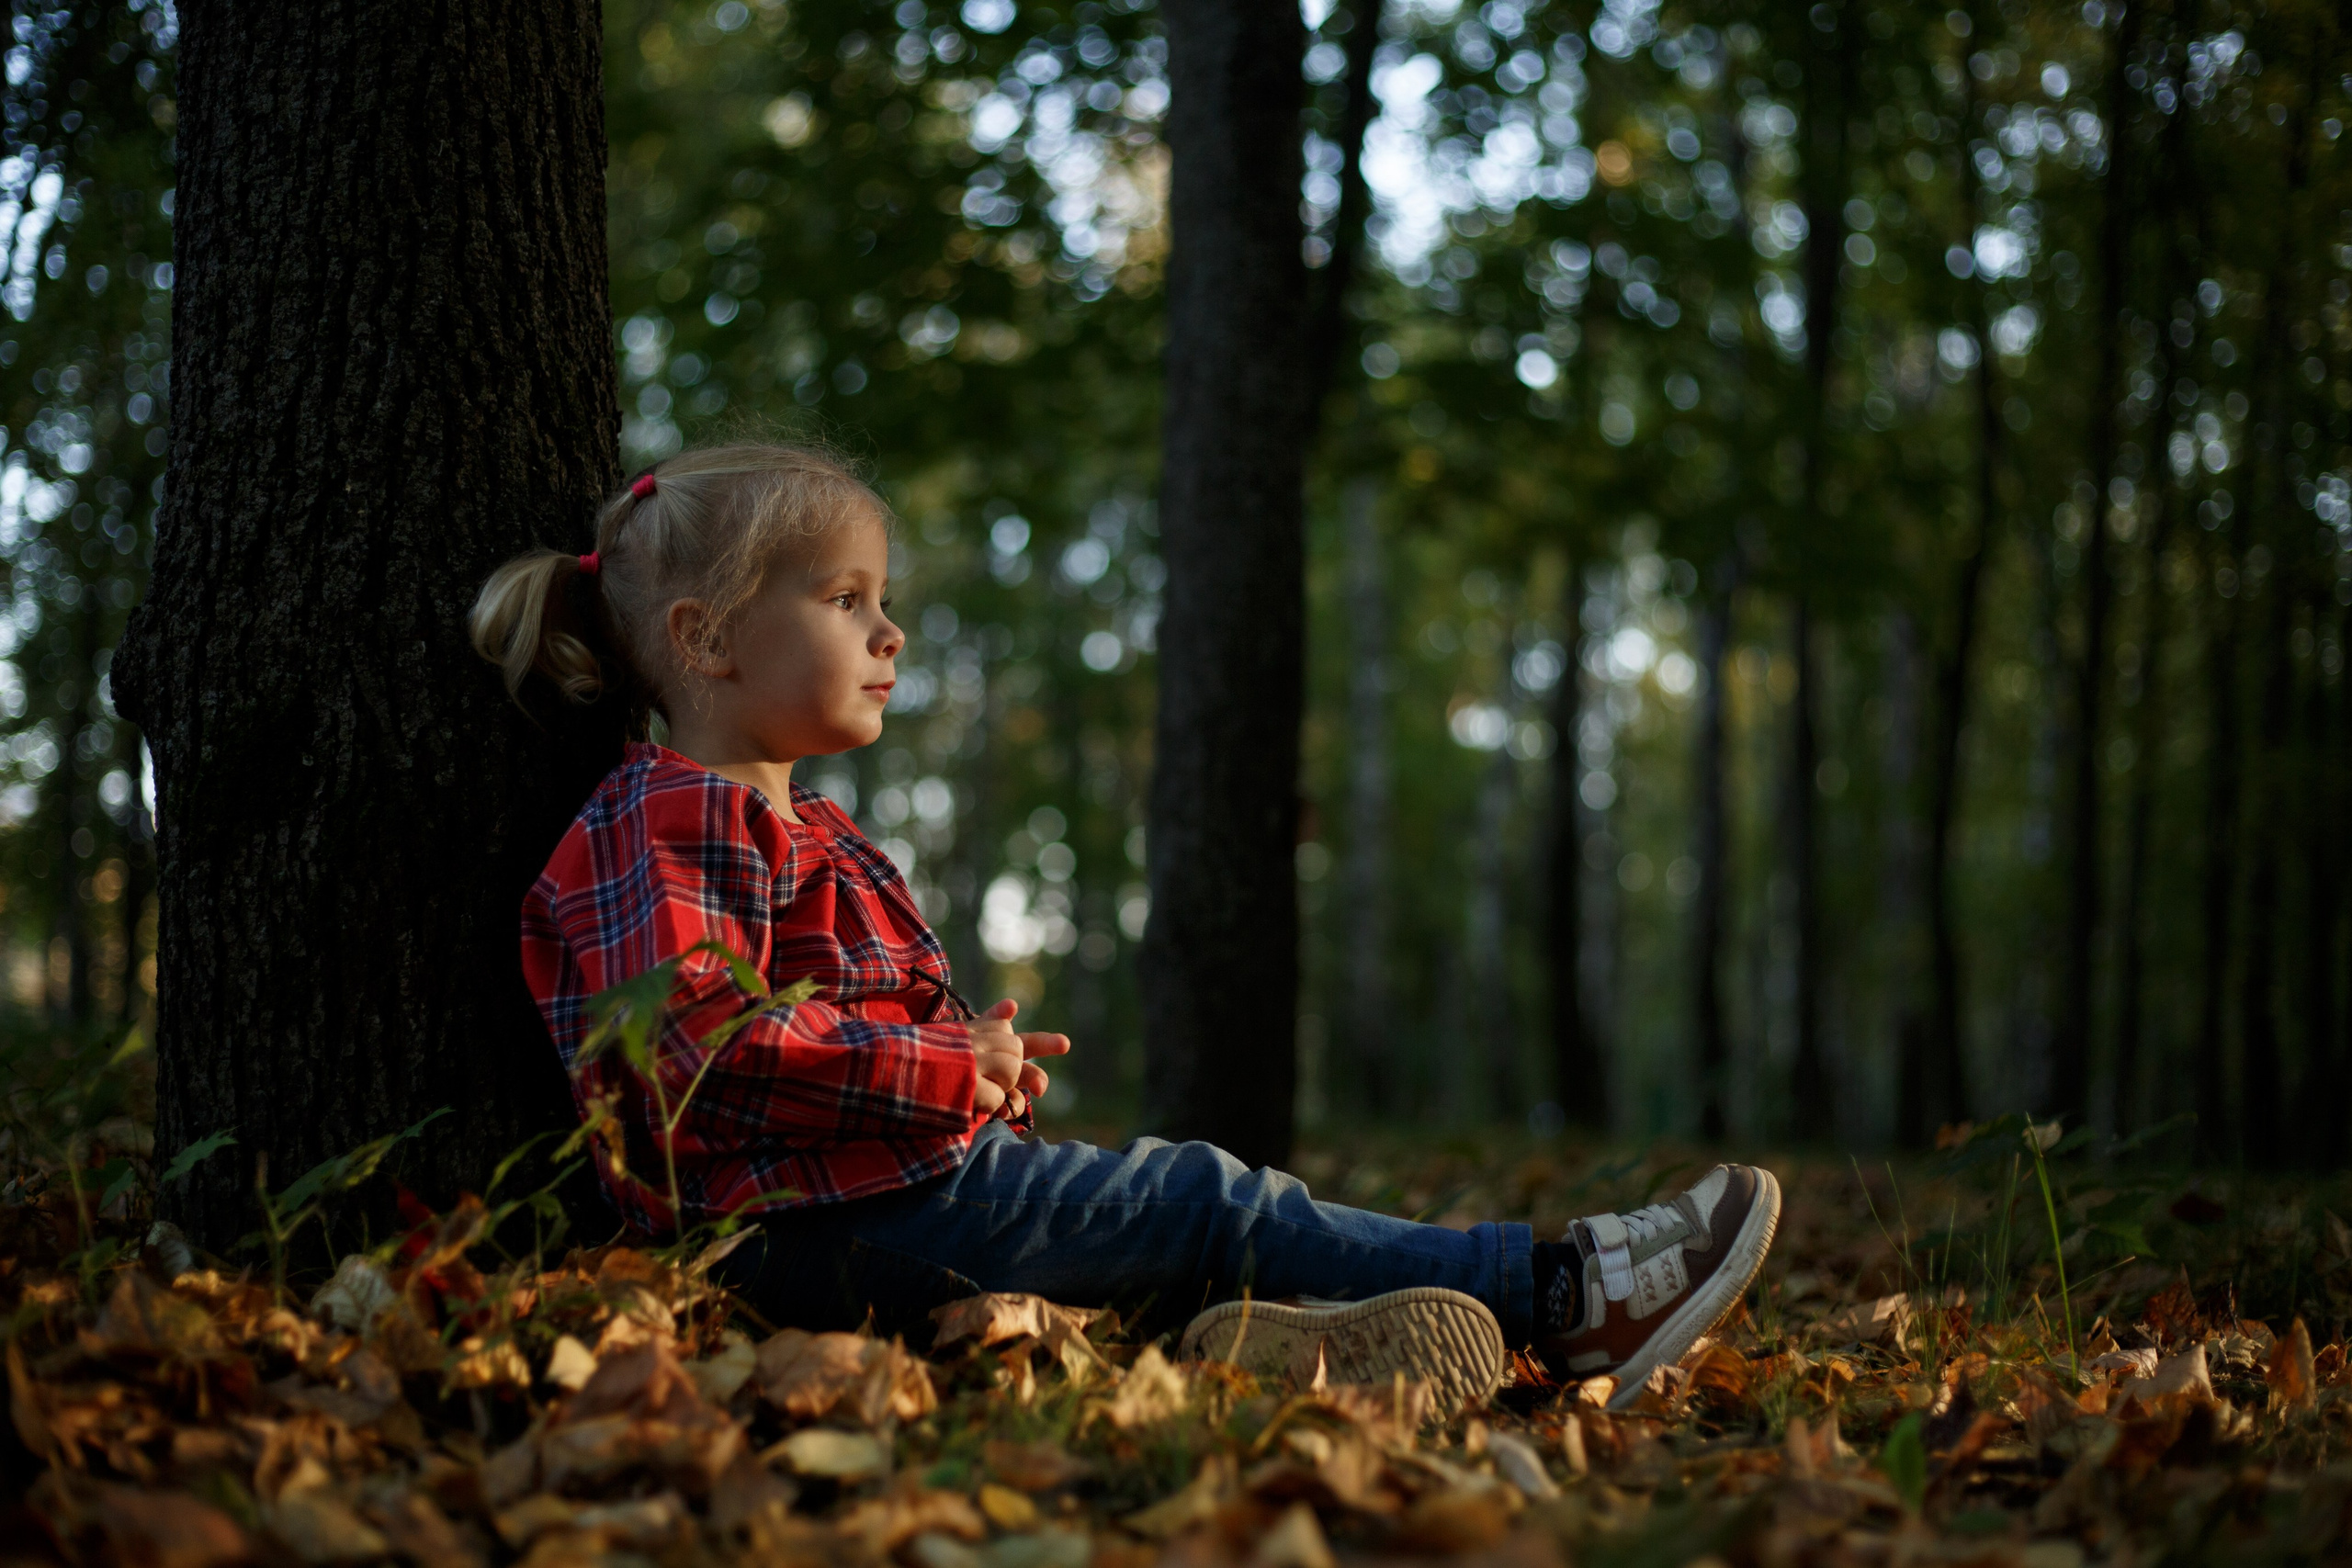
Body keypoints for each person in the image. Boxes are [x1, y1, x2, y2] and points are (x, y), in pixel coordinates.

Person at [470, 444, 1781, 1415]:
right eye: (845, 599)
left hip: (864, 1201)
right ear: (707, 640)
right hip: (788, 1235)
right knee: (1204, 1191)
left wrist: (962, 1057)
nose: (891, 630)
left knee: (1180, 1210)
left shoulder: (791, 824)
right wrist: (936, 1075)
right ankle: (1570, 1295)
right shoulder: (674, 819)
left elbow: (813, 1030)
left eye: (880, 598)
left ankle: (1273, 1348)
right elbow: (704, 1046)